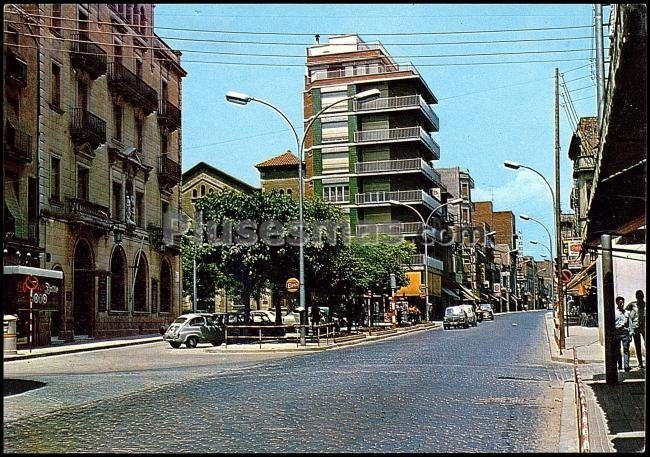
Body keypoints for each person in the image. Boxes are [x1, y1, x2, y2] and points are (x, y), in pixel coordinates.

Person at [614, 296, 633, 372]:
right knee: (617, 350)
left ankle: (626, 366)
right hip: (617, 333)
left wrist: (631, 333)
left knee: (626, 350)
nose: (622, 304)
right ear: (617, 303)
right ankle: (620, 365)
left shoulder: (627, 313)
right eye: (620, 303)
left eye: (623, 303)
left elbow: (630, 324)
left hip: (625, 333)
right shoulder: (615, 313)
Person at [627, 298, 644, 368]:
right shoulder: (633, 304)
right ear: (637, 297)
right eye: (638, 296)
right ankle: (640, 363)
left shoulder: (644, 305)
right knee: (637, 346)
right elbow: (627, 310)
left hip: (643, 327)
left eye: (641, 296)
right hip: (635, 327)